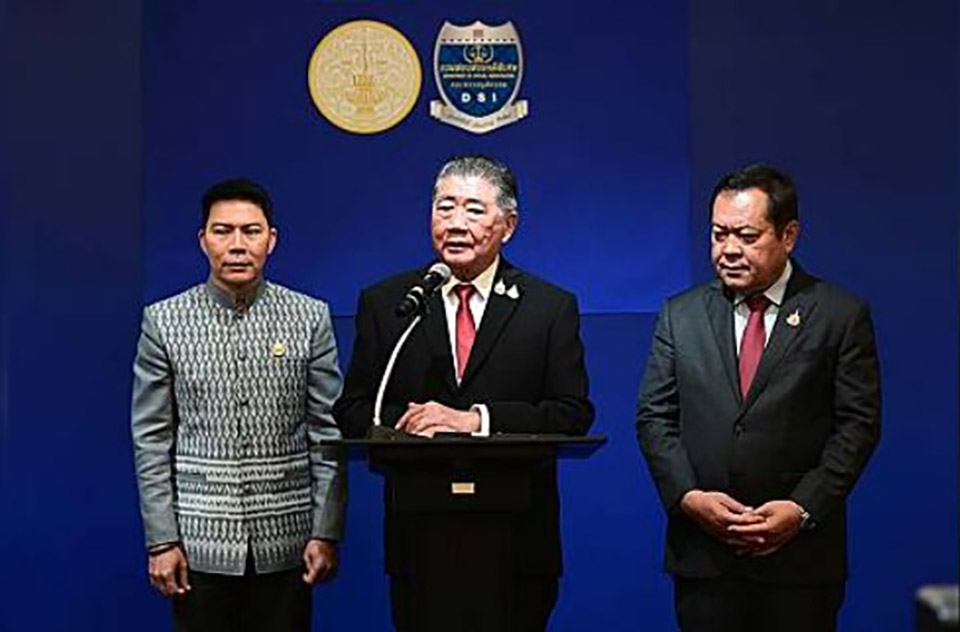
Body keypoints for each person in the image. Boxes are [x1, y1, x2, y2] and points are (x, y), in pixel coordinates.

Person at [334, 155, 594, 631]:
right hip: (420, 537)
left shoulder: (548, 307)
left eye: (473, 210)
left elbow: (572, 413)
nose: (455, 223)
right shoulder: (390, 302)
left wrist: (475, 420)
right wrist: (411, 423)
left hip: (517, 539)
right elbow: (353, 409)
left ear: (508, 225)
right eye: (444, 207)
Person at [636, 164, 881, 632]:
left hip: (800, 560)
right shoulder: (680, 315)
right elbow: (654, 418)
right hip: (704, 559)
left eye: (747, 236)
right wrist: (689, 497)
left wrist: (802, 508)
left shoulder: (839, 316)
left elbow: (858, 426)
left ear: (788, 236)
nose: (729, 249)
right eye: (718, 234)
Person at [131, 178, 345, 632]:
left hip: (288, 543)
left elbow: (327, 433)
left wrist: (326, 531)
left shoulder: (310, 317)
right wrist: (161, 541)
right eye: (223, 231)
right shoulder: (164, 321)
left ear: (272, 239)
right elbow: (151, 439)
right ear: (203, 240)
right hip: (198, 545)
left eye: (251, 231)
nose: (237, 245)